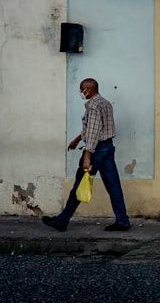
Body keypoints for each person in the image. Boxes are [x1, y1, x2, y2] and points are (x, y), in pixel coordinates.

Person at [42, 78, 131, 232]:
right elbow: (92, 128)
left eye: (82, 90)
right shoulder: (105, 103)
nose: (81, 93)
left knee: (80, 184)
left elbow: (93, 132)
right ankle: (122, 220)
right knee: (113, 186)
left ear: (89, 90)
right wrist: (76, 140)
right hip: (108, 147)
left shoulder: (94, 106)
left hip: (97, 151)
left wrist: (87, 155)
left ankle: (62, 221)